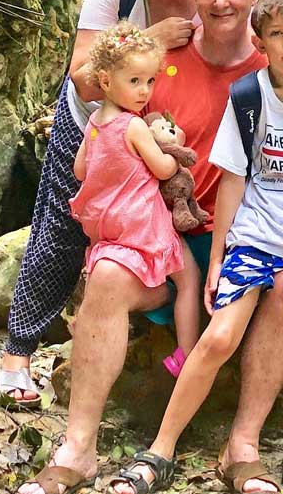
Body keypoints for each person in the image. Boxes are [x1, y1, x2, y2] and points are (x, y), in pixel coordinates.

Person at [16, 0, 283, 494]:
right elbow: (104, 111)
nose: (220, 3)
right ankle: (78, 449)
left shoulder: (278, 66)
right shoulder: (157, 65)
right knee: (108, 277)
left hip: (244, 237)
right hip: (162, 235)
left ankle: (242, 448)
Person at [109, 0, 283, 494]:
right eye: (277, 34)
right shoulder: (248, 97)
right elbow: (231, 180)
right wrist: (216, 262)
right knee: (221, 335)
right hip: (254, 235)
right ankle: (160, 451)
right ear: (261, 42)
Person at [0, 0, 199, 405]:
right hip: (95, 122)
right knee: (64, 224)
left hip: (165, 129)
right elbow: (81, 75)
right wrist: (148, 39)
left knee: (159, 231)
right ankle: (17, 355)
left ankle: (143, 332)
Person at [69, 21, 200, 375]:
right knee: (188, 277)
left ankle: (84, 322)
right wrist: (177, 150)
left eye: (150, 81)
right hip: (141, 221)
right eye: (134, 81)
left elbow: (80, 170)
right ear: (106, 81)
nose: (145, 91)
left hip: (108, 223)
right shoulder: (134, 125)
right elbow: (161, 169)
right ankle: (186, 354)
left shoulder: (95, 121)